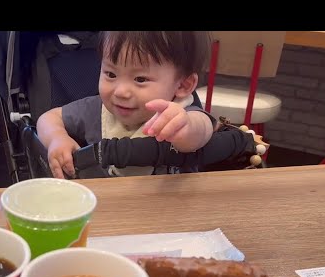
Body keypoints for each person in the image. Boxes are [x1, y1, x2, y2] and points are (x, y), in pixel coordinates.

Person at [37, 31, 216, 179]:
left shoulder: (182, 114)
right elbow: (48, 118)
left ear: (183, 85)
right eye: (111, 74)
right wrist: (57, 138)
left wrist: (185, 128)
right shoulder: (96, 110)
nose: (121, 91)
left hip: (171, 207)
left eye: (140, 79)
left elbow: (202, 130)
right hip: (106, 205)